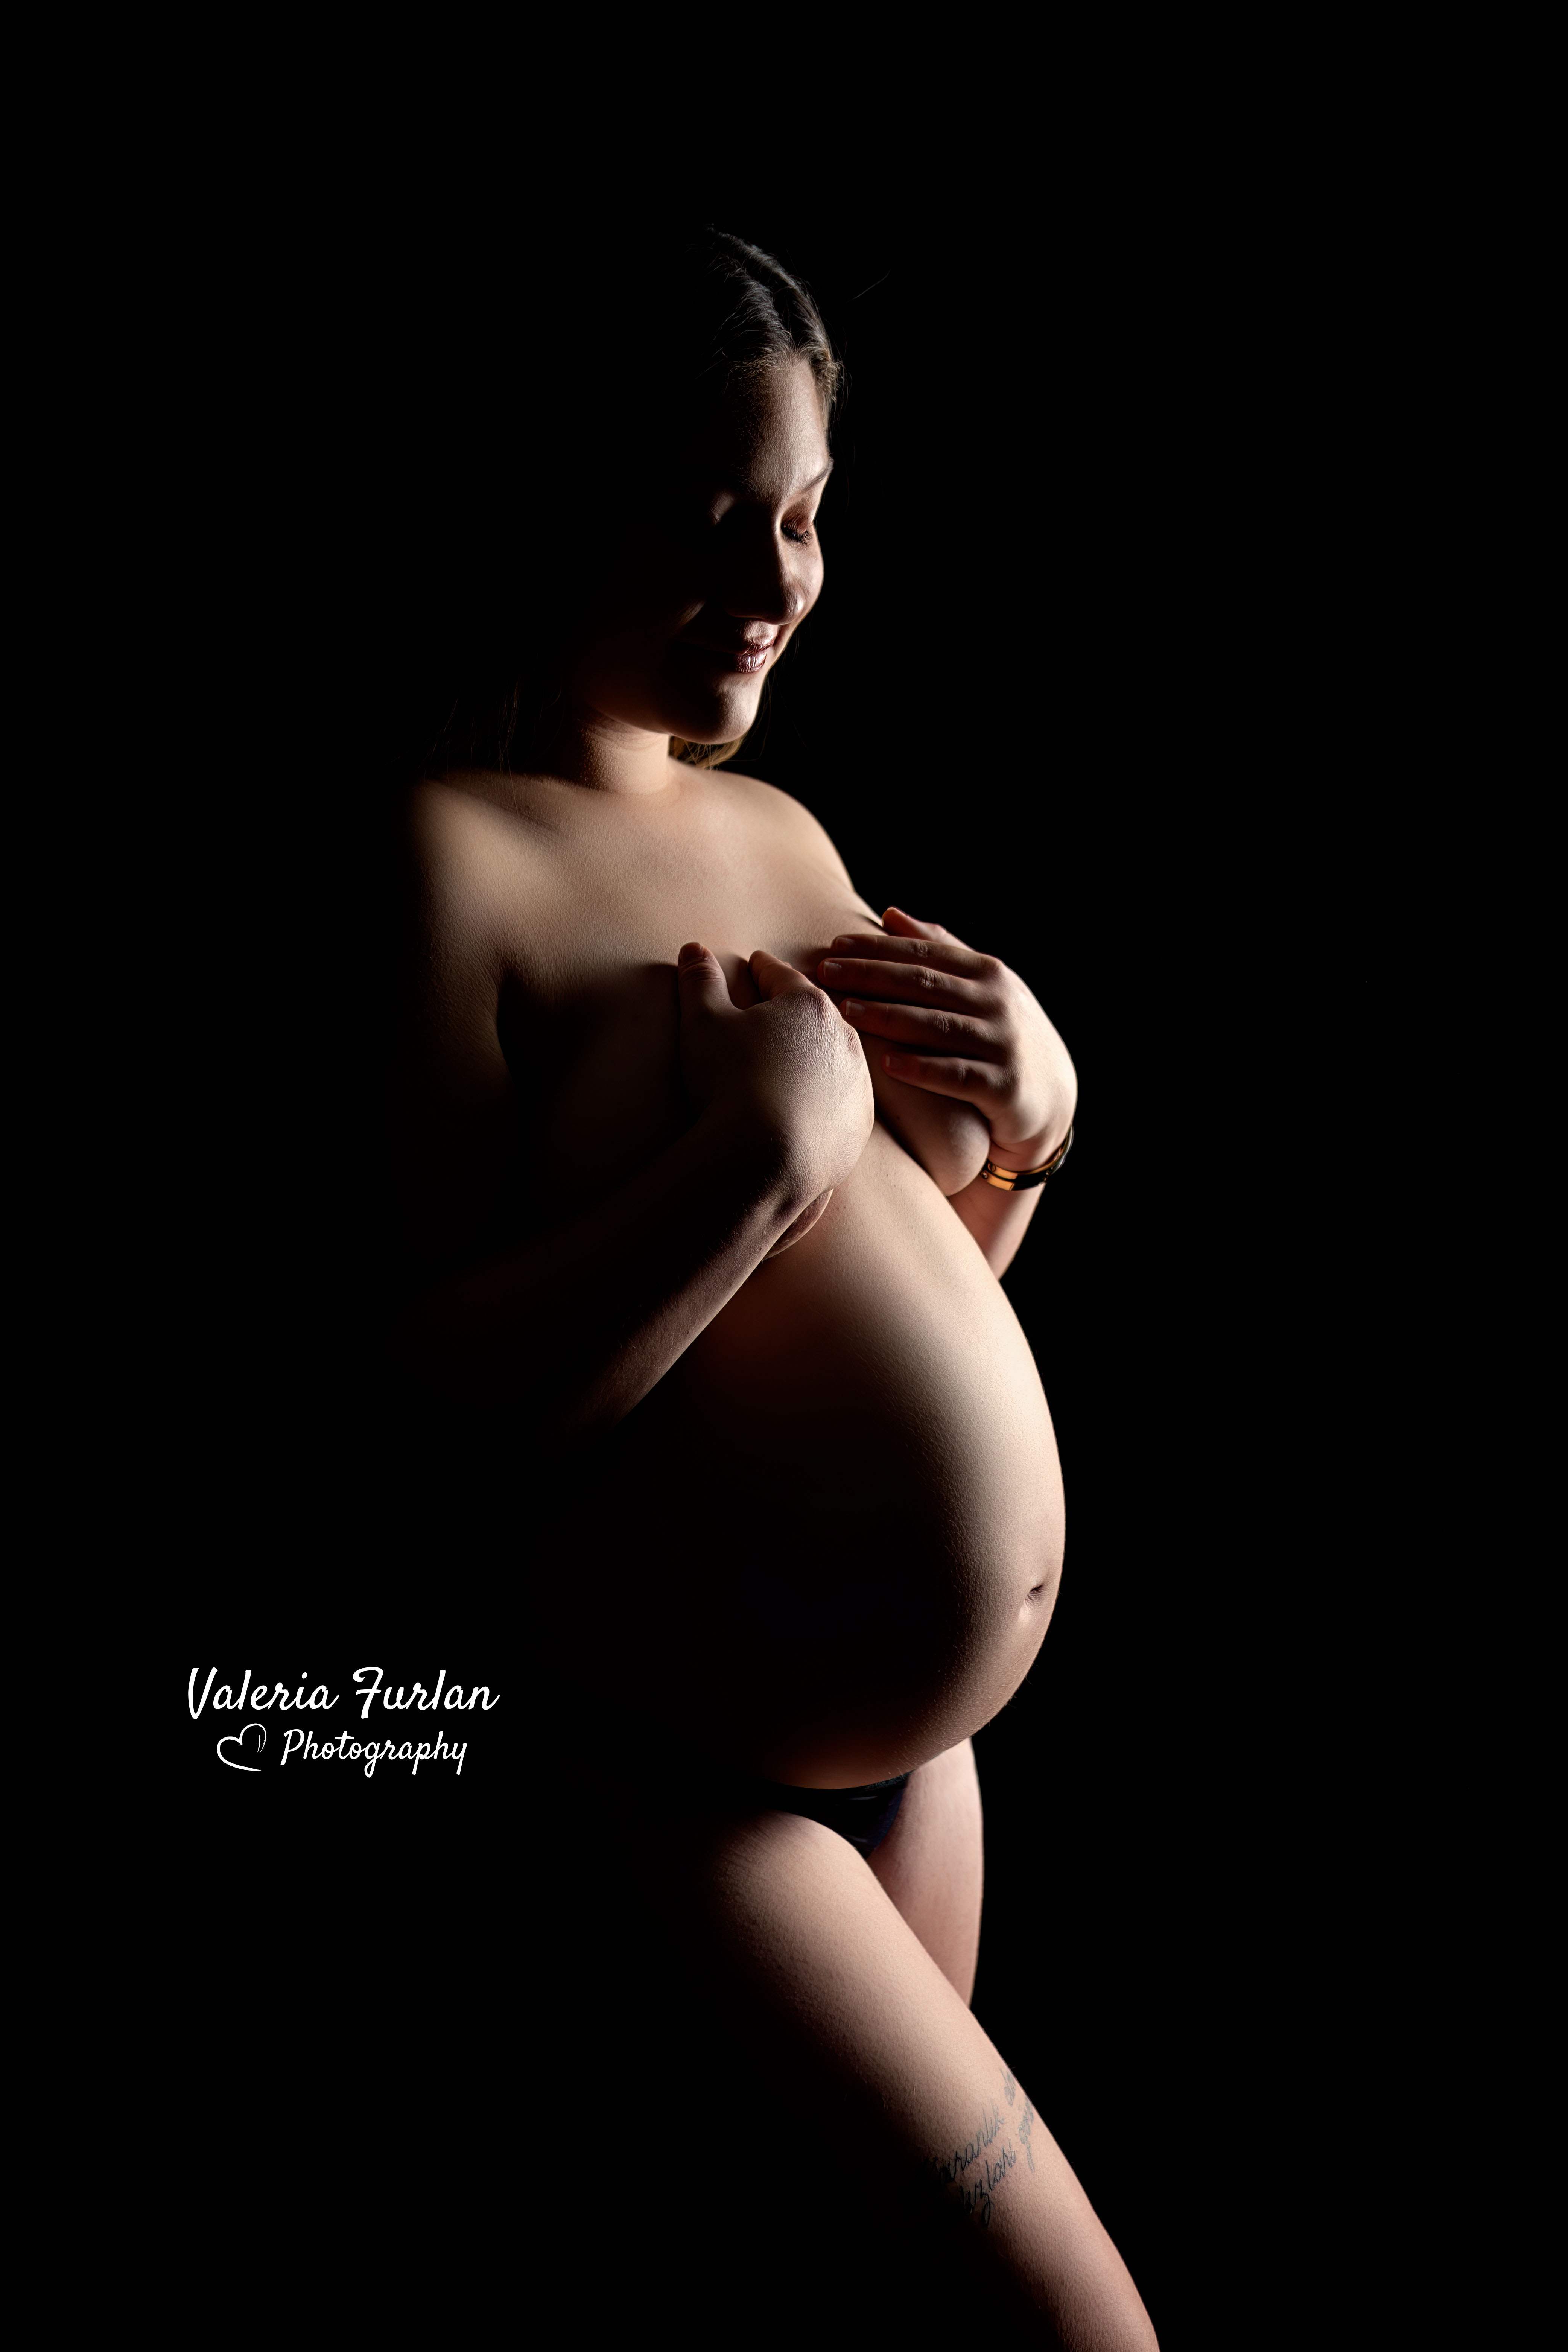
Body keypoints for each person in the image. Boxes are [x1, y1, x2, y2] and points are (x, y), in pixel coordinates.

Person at [374, 226, 1158, 2343]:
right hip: (675, 1763)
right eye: (703, 517)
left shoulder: (789, 837)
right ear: (552, 504)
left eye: (803, 514)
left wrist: (1041, 1128)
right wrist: (754, 1166)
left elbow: (917, 1297)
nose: (772, 578)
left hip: (911, 1754)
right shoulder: (434, 858)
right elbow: (419, 1446)